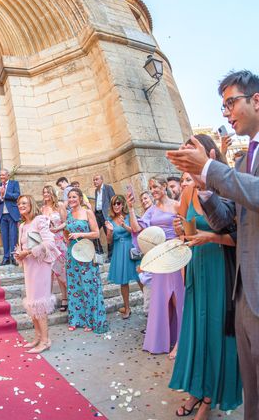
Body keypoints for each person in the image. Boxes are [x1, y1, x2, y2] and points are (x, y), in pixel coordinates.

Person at [166, 69, 259, 420]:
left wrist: (208, 170)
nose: (226, 113)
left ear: (256, 100)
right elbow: (230, 220)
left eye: (230, 103)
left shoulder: (233, 164)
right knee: (253, 394)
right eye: (222, 106)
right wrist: (201, 187)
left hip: (247, 281)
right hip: (244, 293)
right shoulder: (243, 158)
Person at [168, 135, 242, 419]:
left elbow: (240, 238)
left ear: (208, 153)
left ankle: (210, 396)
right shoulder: (187, 192)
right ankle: (196, 390)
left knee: (214, 333)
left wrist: (209, 237)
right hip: (197, 268)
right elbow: (187, 234)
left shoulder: (226, 185)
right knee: (196, 332)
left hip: (219, 268)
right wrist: (180, 228)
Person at [127, 176, 184, 356]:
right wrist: (130, 208)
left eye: (155, 187)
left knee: (177, 297)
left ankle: (181, 343)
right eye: (150, 188)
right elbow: (138, 229)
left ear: (165, 186)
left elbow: (185, 227)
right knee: (161, 300)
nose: (153, 190)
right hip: (160, 257)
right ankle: (163, 340)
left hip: (176, 254)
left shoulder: (177, 205)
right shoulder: (151, 210)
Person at [15, 195, 59, 352]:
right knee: (33, 302)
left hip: (40, 266)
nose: (21, 205)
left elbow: (49, 243)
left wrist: (27, 251)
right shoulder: (22, 226)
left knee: (39, 302)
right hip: (29, 266)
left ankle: (45, 340)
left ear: (31, 204)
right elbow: (22, 246)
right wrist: (19, 253)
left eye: (24, 203)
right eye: (19, 203)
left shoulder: (39, 220)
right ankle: (38, 337)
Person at [64, 187, 108, 333]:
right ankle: (76, 319)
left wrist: (79, 234)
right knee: (74, 287)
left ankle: (90, 320)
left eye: (74, 197)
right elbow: (66, 231)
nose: (71, 200)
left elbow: (96, 233)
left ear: (80, 199)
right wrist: (67, 239)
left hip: (86, 253)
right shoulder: (69, 214)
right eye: (69, 197)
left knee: (88, 286)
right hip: (72, 254)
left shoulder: (87, 212)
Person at [105, 195, 142, 319]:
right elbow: (109, 241)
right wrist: (109, 231)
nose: (116, 206)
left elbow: (136, 230)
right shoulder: (110, 220)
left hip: (131, 248)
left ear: (123, 204)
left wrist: (124, 225)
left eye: (118, 203)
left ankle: (150, 304)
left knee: (140, 277)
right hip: (119, 251)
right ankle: (127, 308)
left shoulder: (128, 216)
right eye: (114, 204)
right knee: (123, 281)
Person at [41, 185, 68, 312]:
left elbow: (66, 222)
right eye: (44, 192)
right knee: (48, 273)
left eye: (48, 192)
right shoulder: (42, 209)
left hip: (59, 242)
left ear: (52, 193)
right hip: (47, 244)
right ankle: (48, 302)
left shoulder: (60, 206)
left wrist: (57, 228)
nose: (46, 194)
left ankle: (65, 299)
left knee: (60, 272)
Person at [0, 168, 20, 265]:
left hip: (12, 214)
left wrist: (4, 194)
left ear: (8, 175)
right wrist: (0, 197)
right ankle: (6, 258)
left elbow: (17, 195)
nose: (1, 177)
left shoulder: (14, 183)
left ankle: (14, 257)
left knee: (13, 236)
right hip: (2, 215)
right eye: (0, 175)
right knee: (5, 237)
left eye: (3, 175)